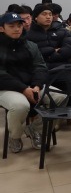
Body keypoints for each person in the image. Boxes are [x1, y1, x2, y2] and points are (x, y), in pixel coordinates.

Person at [0, 12, 48, 153]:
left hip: (31, 85)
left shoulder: (30, 45)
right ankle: (15, 136)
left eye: (19, 25)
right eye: (11, 26)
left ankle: (34, 129)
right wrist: (23, 89)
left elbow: (40, 66)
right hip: (5, 88)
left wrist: (36, 85)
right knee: (20, 105)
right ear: (1, 28)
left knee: (61, 98)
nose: (17, 29)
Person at [27, 4, 71, 70]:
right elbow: (31, 54)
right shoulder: (28, 34)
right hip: (39, 69)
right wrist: (53, 50)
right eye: (44, 14)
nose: (48, 17)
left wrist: (46, 55)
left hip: (62, 68)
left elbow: (68, 51)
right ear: (36, 17)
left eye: (50, 14)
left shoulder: (64, 31)